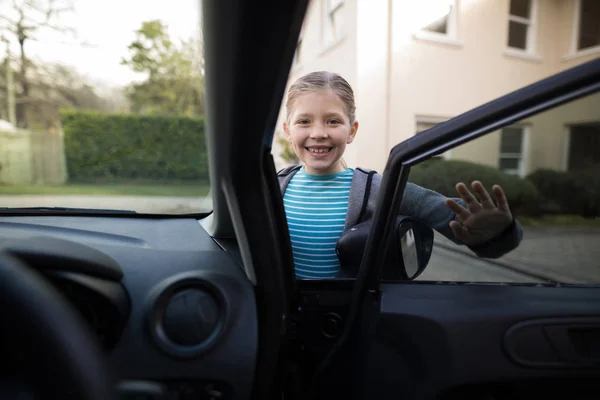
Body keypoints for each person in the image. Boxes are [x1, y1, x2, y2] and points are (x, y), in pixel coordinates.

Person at [277, 71, 523, 280]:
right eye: (304, 121)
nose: (318, 133)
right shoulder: (272, 187)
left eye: (332, 121)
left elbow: (453, 215)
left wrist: (496, 232)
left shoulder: (379, 189)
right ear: (288, 130)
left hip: (350, 323)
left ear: (351, 131)